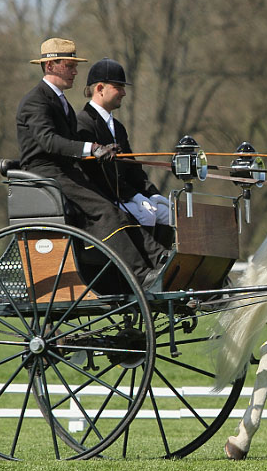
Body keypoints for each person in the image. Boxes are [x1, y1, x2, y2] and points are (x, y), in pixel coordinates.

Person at [15, 38, 168, 289]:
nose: (76, 71)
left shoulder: (60, 101)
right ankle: (140, 275)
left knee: (116, 208)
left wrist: (104, 149)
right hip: (46, 175)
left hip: (66, 171)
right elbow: (50, 142)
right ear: (51, 65)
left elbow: (69, 141)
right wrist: (92, 148)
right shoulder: (36, 101)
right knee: (105, 210)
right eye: (70, 65)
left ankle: (158, 256)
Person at [75, 57, 171, 230]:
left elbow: (133, 168)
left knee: (167, 214)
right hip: (105, 199)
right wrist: (134, 196)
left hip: (125, 196)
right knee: (146, 214)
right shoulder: (83, 123)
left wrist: (152, 194)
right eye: (118, 87)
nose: (124, 93)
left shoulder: (118, 127)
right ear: (100, 88)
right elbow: (96, 174)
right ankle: (146, 257)